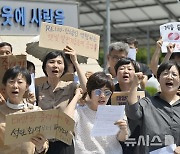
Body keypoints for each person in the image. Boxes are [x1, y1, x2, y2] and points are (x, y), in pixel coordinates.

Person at [38, 46, 87, 154]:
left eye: (60, 62)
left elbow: (86, 89)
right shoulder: (38, 90)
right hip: (43, 144)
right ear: (45, 67)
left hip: (65, 143)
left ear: (64, 68)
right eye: (51, 62)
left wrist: (75, 61)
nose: (55, 65)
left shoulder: (71, 87)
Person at [64, 72, 128, 154]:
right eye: (98, 92)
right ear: (90, 93)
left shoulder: (116, 112)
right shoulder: (79, 113)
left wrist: (124, 130)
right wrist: (76, 96)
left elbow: (122, 138)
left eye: (107, 92)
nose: (102, 96)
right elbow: (64, 122)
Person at [126, 61, 180, 153]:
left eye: (174, 74)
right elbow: (132, 113)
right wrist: (134, 84)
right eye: (165, 73)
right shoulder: (147, 103)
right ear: (158, 79)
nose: (169, 77)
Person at [0, 66, 48, 154]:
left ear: (27, 86)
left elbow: (45, 143)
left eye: (20, 82)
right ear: (5, 86)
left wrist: (40, 146)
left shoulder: (36, 112)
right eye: (11, 82)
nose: (15, 86)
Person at [109, 57, 149, 154]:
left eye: (130, 69)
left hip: (138, 141)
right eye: (122, 68)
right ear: (116, 73)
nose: (125, 71)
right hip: (113, 140)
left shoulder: (144, 94)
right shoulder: (108, 93)